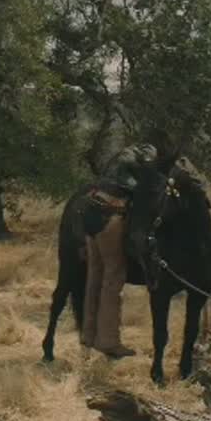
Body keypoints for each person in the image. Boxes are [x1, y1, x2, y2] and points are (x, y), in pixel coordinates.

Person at [80, 133, 177, 359]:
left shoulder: (118, 160)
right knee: (112, 279)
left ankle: (88, 335)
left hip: (91, 214)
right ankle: (109, 342)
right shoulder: (141, 165)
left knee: (94, 277)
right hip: (111, 217)